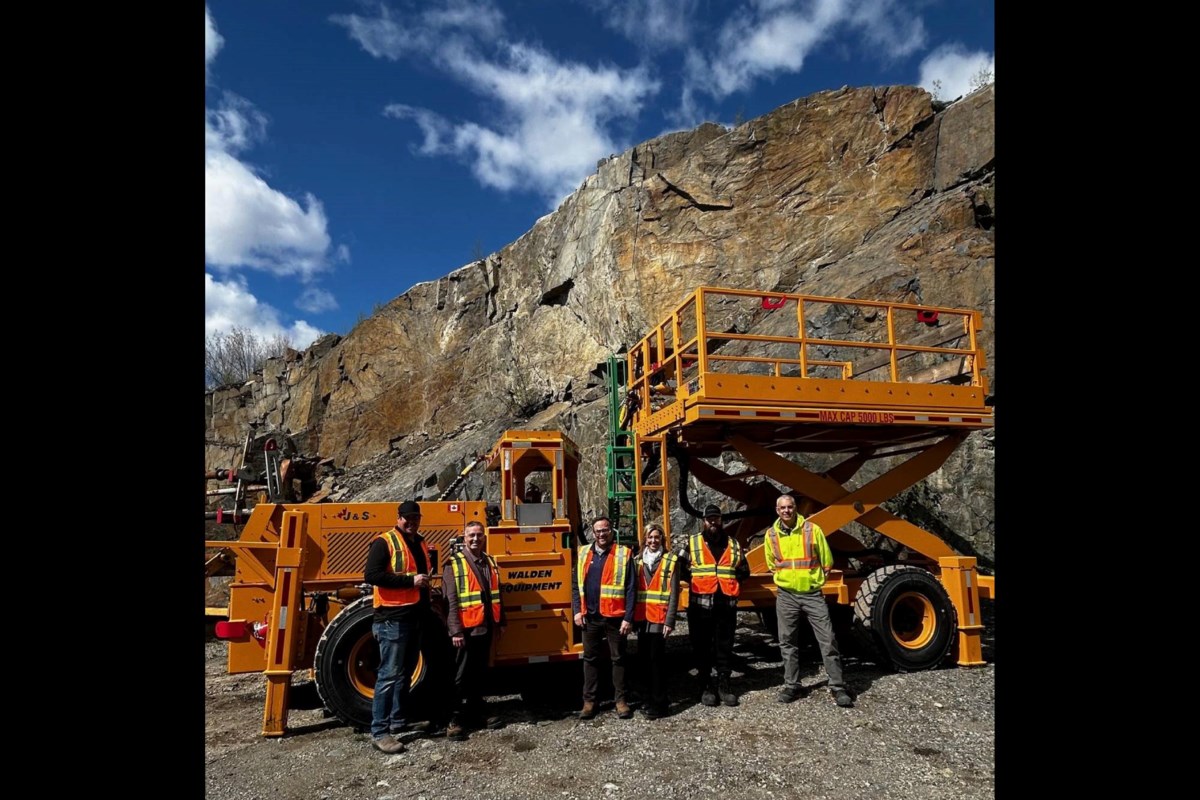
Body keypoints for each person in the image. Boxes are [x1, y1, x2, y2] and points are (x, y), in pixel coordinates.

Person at [766, 494, 854, 708]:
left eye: (790, 507)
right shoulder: (771, 535)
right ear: (777, 510)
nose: (786, 511)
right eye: (782, 508)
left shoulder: (812, 530)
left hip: (812, 594)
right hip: (786, 594)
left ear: (795, 508)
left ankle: (837, 686)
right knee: (787, 641)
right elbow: (771, 563)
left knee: (827, 639)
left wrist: (815, 581)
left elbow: (827, 561)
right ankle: (792, 685)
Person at [363, 500, 433, 753]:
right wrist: (410, 580)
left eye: (416, 517)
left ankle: (399, 721)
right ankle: (380, 731)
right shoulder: (385, 542)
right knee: (388, 675)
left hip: (414, 616)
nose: (412, 522)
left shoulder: (420, 541)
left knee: (404, 672)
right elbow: (372, 575)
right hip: (392, 619)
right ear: (399, 517)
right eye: (408, 518)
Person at [679, 503, 749, 707]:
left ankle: (724, 685)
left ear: (721, 520)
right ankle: (705, 685)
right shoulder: (692, 543)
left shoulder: (734, 544)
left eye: (716, 519)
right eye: (709, 519)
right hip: (700, 605)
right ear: (704, 521)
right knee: (701, 645)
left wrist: (732, 582)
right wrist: (694, 582)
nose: (713, 522)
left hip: (726, 604)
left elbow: (744, 570)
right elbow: (680, 566)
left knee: (724, 646)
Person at [442, 521, 507, 740]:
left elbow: (496, 595)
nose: (475, 539)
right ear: (464, 537)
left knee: (479, 672)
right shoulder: (455, 564)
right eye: (471, 535)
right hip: (466, 630)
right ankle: (454, 718)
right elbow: (449, 601)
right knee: (460, 675)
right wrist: (455, 631)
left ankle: (477, 710)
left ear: (484, 537)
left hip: (485, 626)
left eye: (479, 535)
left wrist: (500, 622)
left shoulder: (489, 561)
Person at [571, 515, 637, 720]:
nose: (601, 534)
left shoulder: (624, 554)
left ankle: (621, 701)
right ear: (593, 532)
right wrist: (577, 611)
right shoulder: (583, 553)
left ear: (611, 531)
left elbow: (631, 588)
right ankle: (589, 701)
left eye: (605, 530)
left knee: (618, 659)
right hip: (590, 617)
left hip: (615, 618)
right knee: (590, 659)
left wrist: (628, 617)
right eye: (598, 531)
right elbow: (575, 585)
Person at [632, 522, 680, 719]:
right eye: (650, 537)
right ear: (645, 539)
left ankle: (660, 704)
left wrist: (670, 621)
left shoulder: (671, 561)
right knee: (643, 661)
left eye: (657, 537)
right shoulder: (637, 561)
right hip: (642, 619)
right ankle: (648, 699)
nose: (653, 541)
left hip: (659, 619)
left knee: (656, 662)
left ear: (662, 540)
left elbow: (674, 594)